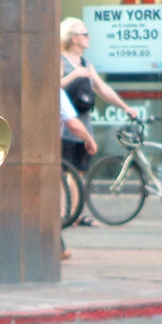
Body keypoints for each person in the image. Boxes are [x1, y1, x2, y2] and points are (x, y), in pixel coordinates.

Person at [59, 16, 138, 174]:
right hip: (65, 128)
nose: (89, 37)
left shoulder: (86, 62)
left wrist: (125, 107)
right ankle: (64, 200)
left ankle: (77, 200)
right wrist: (74, 75)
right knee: (63, 176)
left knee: (79, 173)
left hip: (84, 126)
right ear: (74, 38)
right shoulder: (60, 60)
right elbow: (53, 87)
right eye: (85, 34)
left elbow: (102, 88)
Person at [59, 86, 98, 260]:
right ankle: (56, 245)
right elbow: (72, 123)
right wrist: (89, 139)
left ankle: (57, 245)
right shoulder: (55, 90)